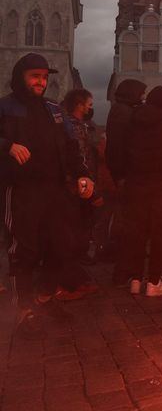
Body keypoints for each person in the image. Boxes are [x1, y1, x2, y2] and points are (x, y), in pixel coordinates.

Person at [0, 54, 95, 335]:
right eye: (35, 76)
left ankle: (44, 296)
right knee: (24, 250)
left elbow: (71, 146)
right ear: (21, 77)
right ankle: (23, 309)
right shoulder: (5, 107)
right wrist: (6, 145)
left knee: (62, 245)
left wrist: (83, 175)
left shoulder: (54, 109)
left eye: (44, 77)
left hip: (54, 189)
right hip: (20, 190)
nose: (41, 82)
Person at [119, 85, 162, 296]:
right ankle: (154, 281)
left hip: (135, 186)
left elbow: (121, 153)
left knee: (136, 235)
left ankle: (136, 280)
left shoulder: (132, 121)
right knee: (159, 234)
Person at [105, 78, 146, 284]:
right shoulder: (124, 113)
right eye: (141, 93)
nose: (143, 97)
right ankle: (125, 271)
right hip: (127, 176)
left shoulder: (119, 110)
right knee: (131, 225)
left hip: (123, 175)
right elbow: (121, 147)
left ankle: (124, 270)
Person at [62, 88, 100, 262]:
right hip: (78, 184)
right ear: (79, 105)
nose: (90, 109)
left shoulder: (75, 125)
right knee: (79, 222)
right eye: (89, 105)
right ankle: (76, 258)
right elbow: (80, 157)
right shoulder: (73, 127)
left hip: (77, 182)